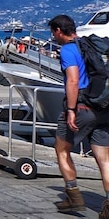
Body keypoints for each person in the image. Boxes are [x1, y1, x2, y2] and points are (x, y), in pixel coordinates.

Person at [48, 14, 109, 216]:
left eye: (53, 32)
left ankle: (73, 197)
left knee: (62, 150)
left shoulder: (68, 50)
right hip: (103, 108)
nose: (53, 36)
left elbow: (73, 81)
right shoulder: (90, 46)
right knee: (105, 159)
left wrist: (71, 111)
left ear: (58, 31)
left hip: (83, 108)